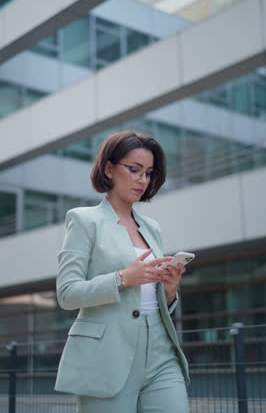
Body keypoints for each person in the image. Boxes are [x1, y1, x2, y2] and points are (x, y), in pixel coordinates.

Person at [55, 130, 190, 413]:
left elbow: (150, 298)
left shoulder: (152, 227)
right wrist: (123, 278)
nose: (142, 180)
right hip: (107, 356)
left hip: (160, 351)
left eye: (149, 173)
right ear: (109, 169)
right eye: (134, 170)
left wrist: (168, 291)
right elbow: (67, 293)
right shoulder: (84, 221)